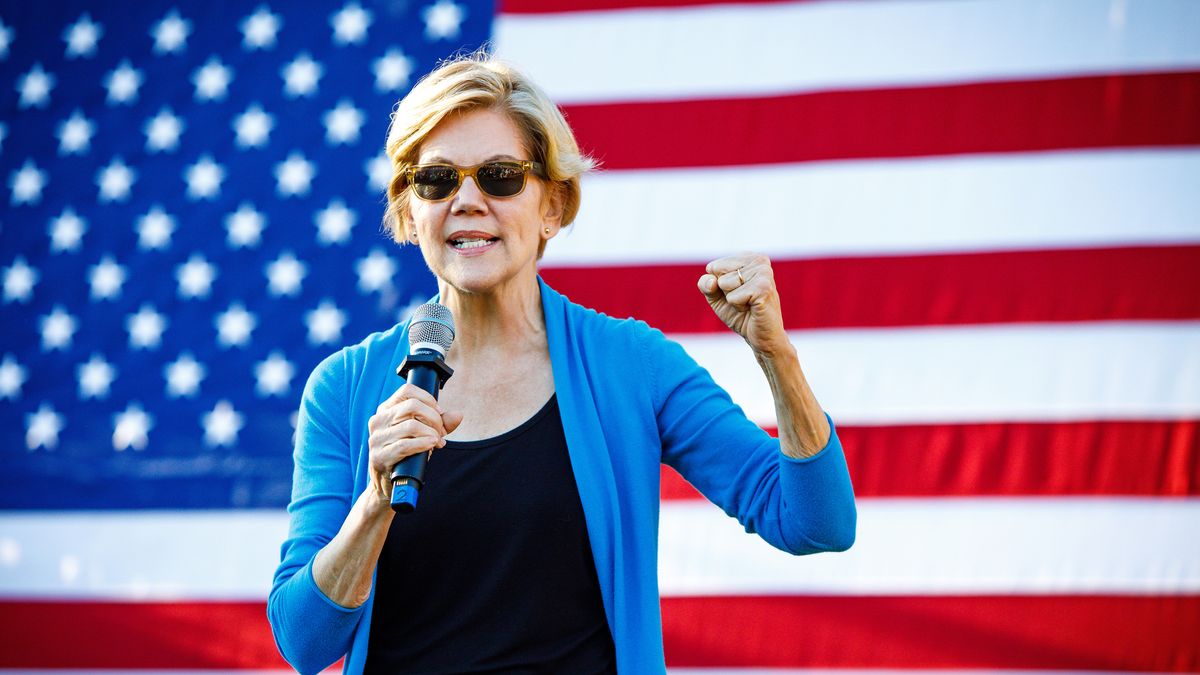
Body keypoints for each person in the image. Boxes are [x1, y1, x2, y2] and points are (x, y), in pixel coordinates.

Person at [268, 54, 856, 675]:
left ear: (553, 205)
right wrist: (374, 504)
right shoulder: (343, 386)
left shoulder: (631, 365)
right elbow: (303, 643)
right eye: (437, 179)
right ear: (410, 214)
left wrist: (776, 356)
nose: (467, 200)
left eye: (499, 176)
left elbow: (815, 523)